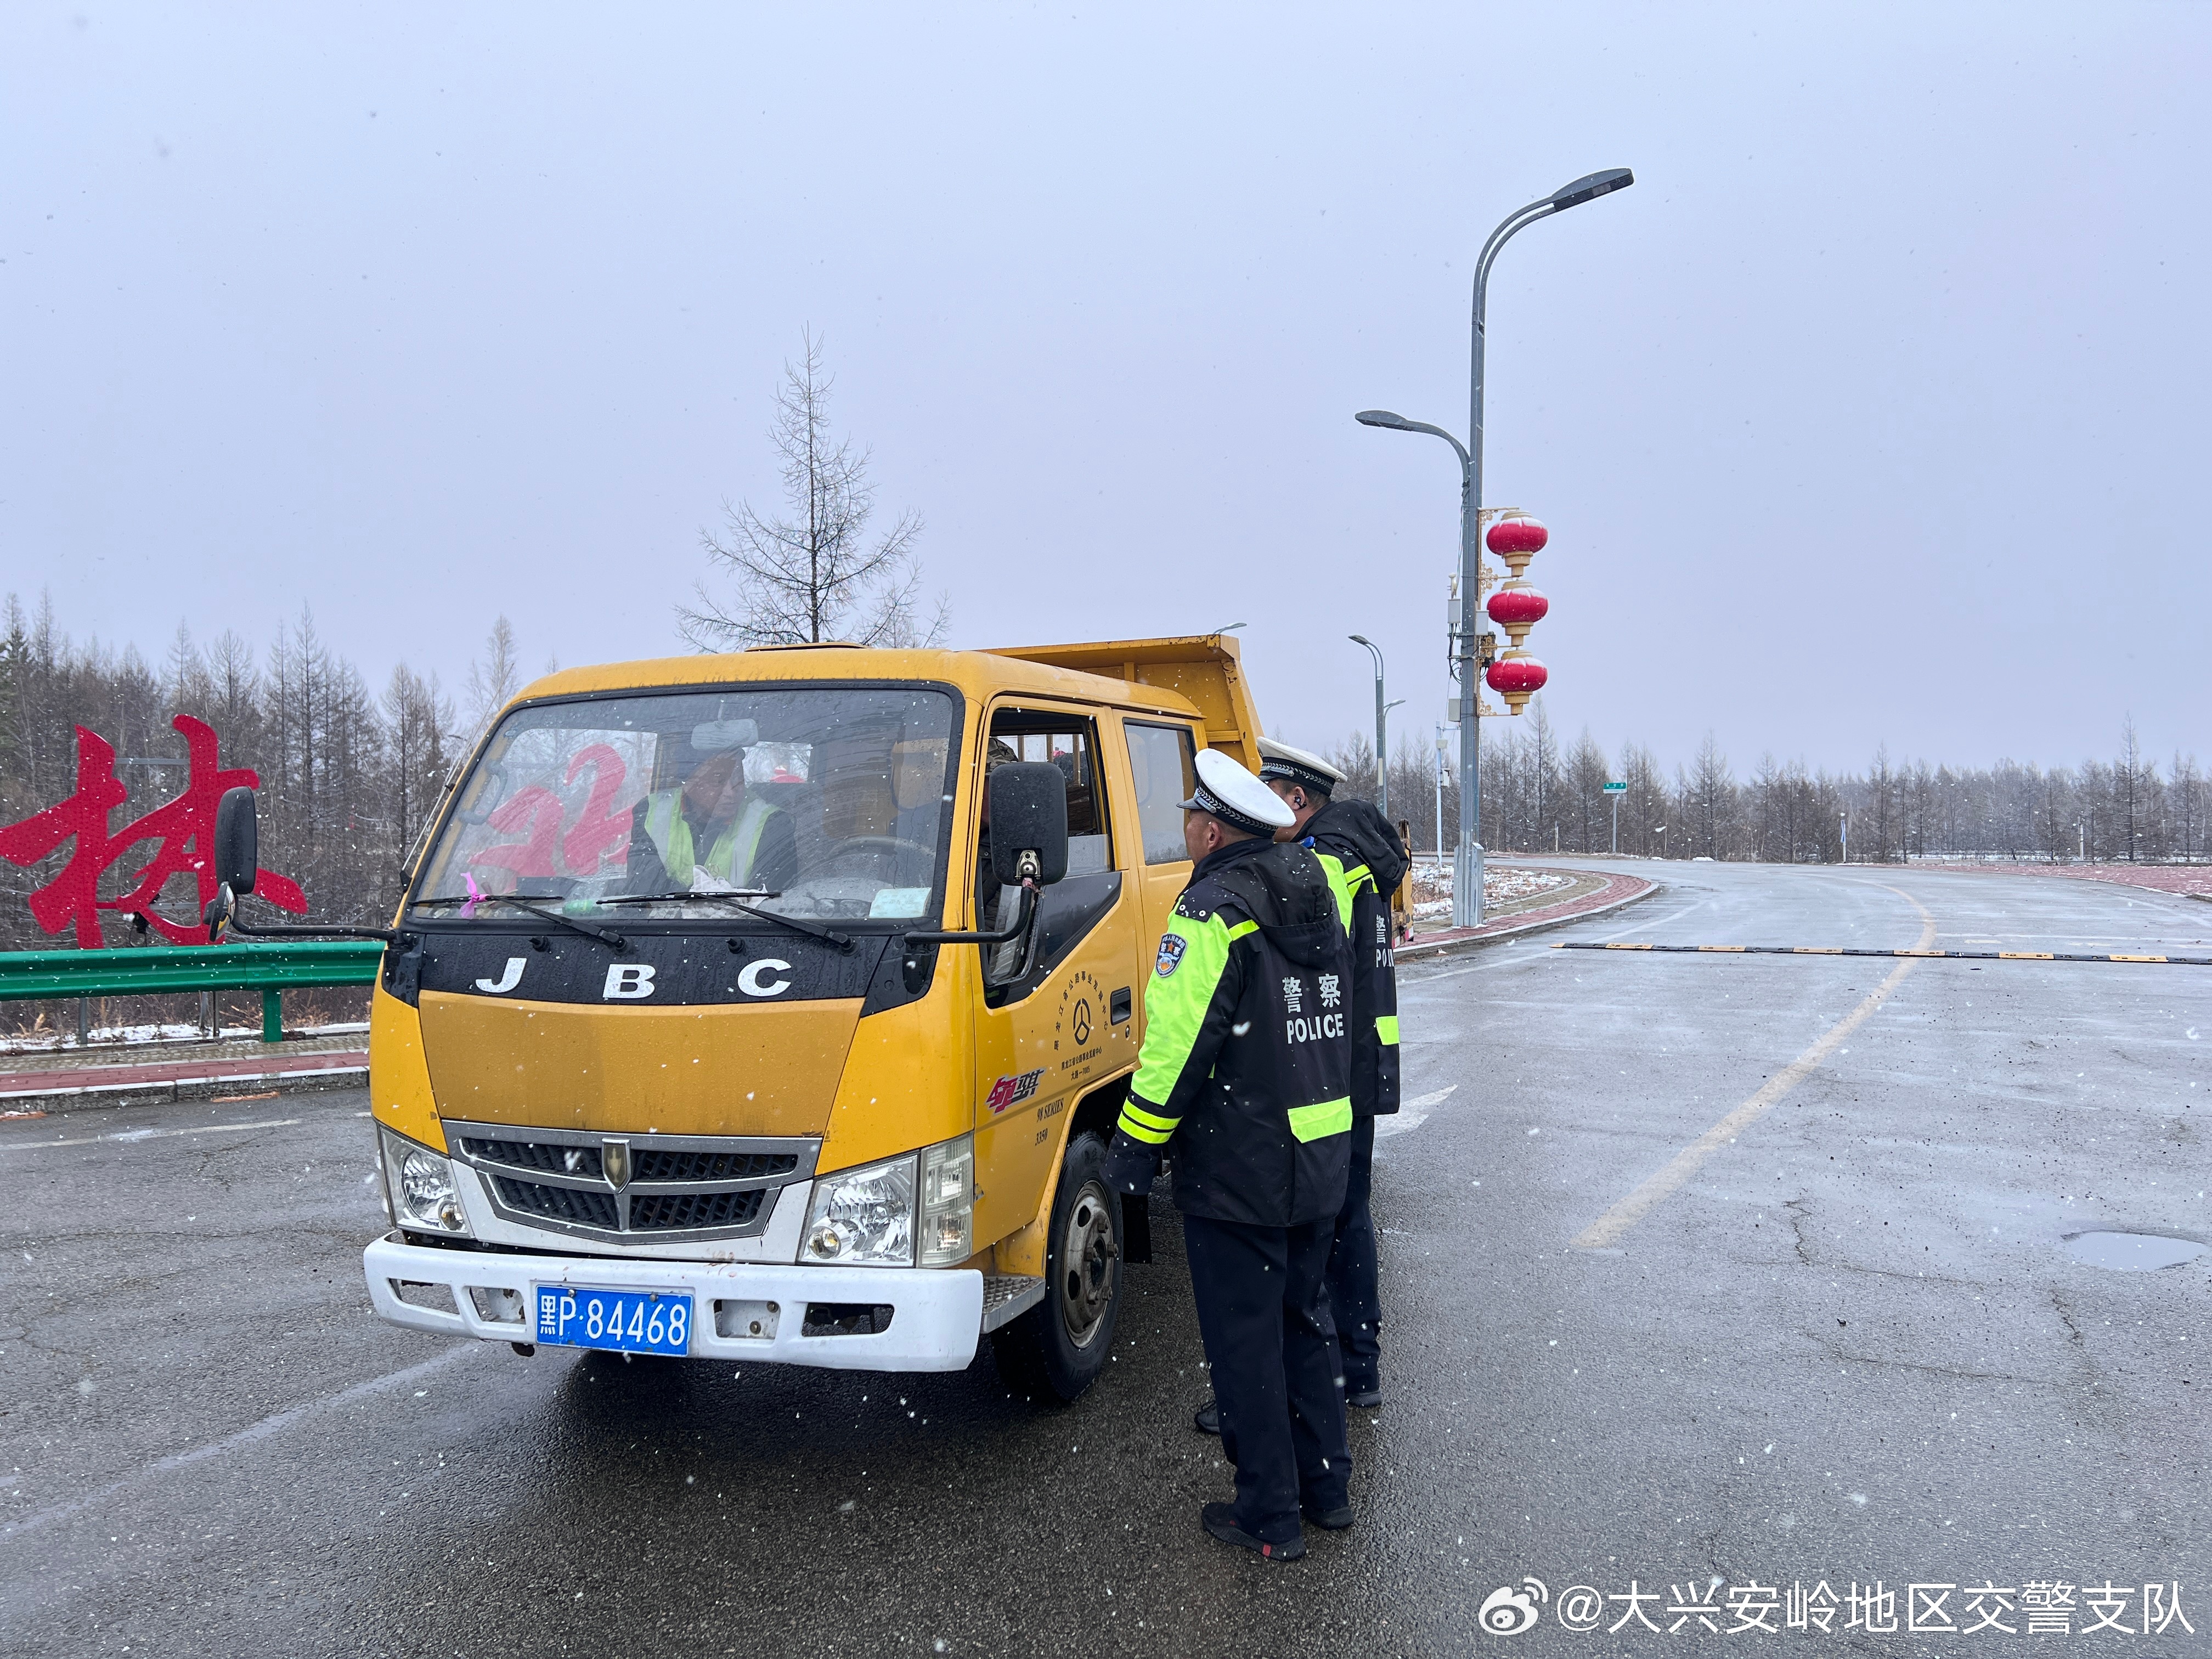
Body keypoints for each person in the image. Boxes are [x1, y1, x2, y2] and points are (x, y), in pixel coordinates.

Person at [1101, 748, 1357, 1561]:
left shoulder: (1212, 911)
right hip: (1320, 1150)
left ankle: (1269, 1517)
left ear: (1212, 830)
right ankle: (1328, 1489)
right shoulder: (1318, 890)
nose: (1182, 833)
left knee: (1246, 1343)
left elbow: (1177, 1047)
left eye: (1186, 821)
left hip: (1242, 1165)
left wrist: (1133, 1150)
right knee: (1304, 1325)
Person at [1257, 737, 1406, 1409]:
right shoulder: (1361, 859)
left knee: (1321, 1224)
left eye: (1269, 795)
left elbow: (1309, 966)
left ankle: (1326, 1375)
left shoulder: (1324, 863)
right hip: (1361, 1062)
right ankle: (1358, 1368)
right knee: (1349, 1214)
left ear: (1297, 800)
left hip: (1329, 1069)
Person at [626, 745, 798, 896]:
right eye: (719, 780)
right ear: (689, 783)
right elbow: (645, 891)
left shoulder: (772, 822)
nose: (732, 792)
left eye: (739, 779)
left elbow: (775, 905)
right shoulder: (651, 812)